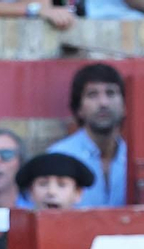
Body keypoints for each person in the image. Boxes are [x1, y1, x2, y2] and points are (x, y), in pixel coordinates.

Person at [46, 63, 130, 209]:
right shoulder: (59, 156)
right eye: (92, 95)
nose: (103, 103)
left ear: (124, 106)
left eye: (110, 93)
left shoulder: (136, 157)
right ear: (79, 109)